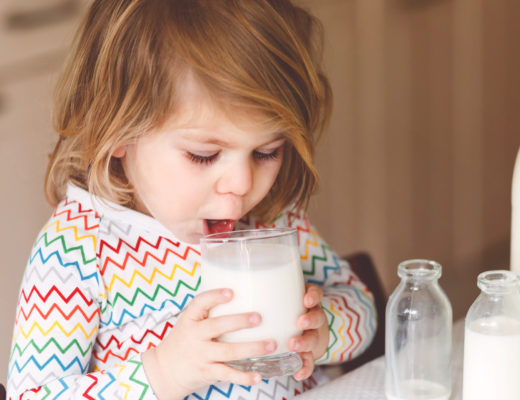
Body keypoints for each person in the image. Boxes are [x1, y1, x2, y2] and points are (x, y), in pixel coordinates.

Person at [7, 0, 377, 399]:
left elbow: (361, 304)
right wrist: (164, 372)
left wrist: (324, 333)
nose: (241, 183)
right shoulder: (79, 245)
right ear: (117, 131)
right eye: (204, 155)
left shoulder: (275, 218)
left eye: (267, 152)